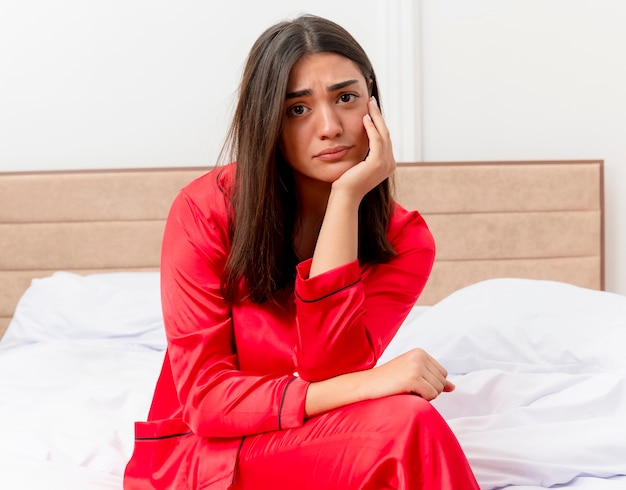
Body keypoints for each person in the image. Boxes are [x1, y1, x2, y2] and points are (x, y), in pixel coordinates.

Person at [124, 14, 479, 490]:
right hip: (206, 455)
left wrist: (346, 200)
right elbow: (206, 401)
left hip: (316, 438)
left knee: (404, 424)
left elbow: (330, 367)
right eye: (298, 109)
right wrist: (374, 383)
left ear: (373, 103)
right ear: (266, 120)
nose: (330, 127)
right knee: (405, 423)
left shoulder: (405, 240)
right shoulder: (205, 210)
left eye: (346, 98)